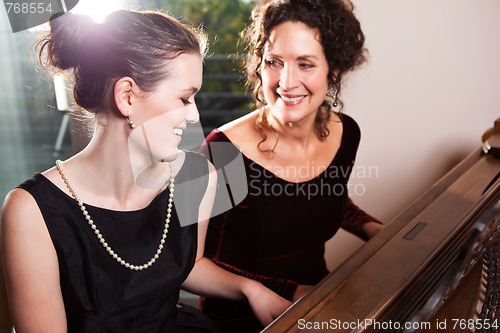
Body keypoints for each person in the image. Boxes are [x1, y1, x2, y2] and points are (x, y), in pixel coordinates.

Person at [0, 10, 291, 332]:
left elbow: (189, 265)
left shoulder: (198, 176)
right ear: (127, 97)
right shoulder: (30, 211)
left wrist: (251, 289)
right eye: (184, 98)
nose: (193, 116)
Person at [199, 0, 384, 331]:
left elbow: (318, 197)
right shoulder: (217, 149)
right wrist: (280, 291)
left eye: (305, 64)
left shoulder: (347, 133)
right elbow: (189, 264)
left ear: (335, 68)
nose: (286, 81)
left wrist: (372, 228)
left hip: (317, 300)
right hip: (238, 319)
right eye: (274, 62)